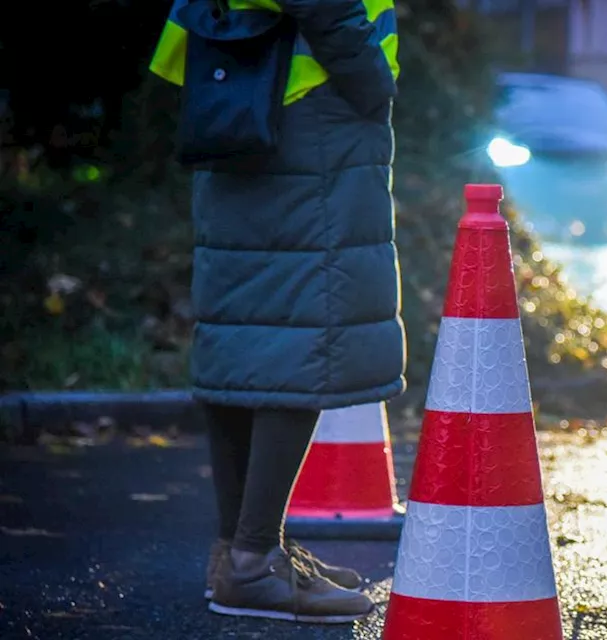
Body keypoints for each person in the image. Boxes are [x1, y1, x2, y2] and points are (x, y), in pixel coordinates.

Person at [148, 0, 405, 624]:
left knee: (247, 332)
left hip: (247, 87)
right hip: (306, 110)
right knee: (304, 333)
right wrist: (364, 69)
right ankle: (253, 561)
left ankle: (241, 554)